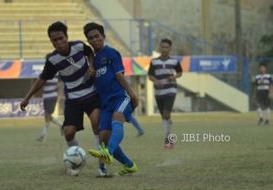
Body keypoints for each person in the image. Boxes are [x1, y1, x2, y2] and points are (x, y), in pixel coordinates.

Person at [20, 21, 106, 176]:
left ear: (66, 37)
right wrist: (27, 97)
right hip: (73, 100)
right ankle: (76, 159)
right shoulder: (53, 60)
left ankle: (101, 167)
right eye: (55, 40)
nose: (58, 43)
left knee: (97, 124)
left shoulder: (79, 46)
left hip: (92, 94)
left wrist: (91, 66)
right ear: (51, 42)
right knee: (68, 132)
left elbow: (90, 53)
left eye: (61, 38)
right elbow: (42, 79)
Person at [83, 22, 139, 176]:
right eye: (91, 38)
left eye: (97, 36)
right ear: (88, 41)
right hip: (105, 104)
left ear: (103, 36)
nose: (94, 40)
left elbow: (119, 75)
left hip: (120, 98)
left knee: (118, 117)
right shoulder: (93, 61)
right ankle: (129, 165)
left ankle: (108, 153)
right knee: (103, 137)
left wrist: (132, 94)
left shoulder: (111, 53)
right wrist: (90, 73)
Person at [148, 38, 182, 149]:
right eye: (162, 47)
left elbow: (180, 72)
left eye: (167, 47)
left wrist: (174, 77)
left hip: (170, 89)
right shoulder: (154, 62)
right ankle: (170, 137)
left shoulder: (174, 61)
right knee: (164, 117)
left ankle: (168, 140)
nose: (164, 49)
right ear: (160, 47)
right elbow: (150, 75)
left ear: (170, 49)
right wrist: (156, 81)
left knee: (166, 114)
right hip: (159, 91)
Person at [36, 75, 63, 142]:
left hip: (52, 96)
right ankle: (62, 126)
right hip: (45, 97)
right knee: (48, 116)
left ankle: (43, 135)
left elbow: (61, 83)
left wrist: (59, 93)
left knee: (47, 116)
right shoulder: (46, 72)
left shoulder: (56, 73)